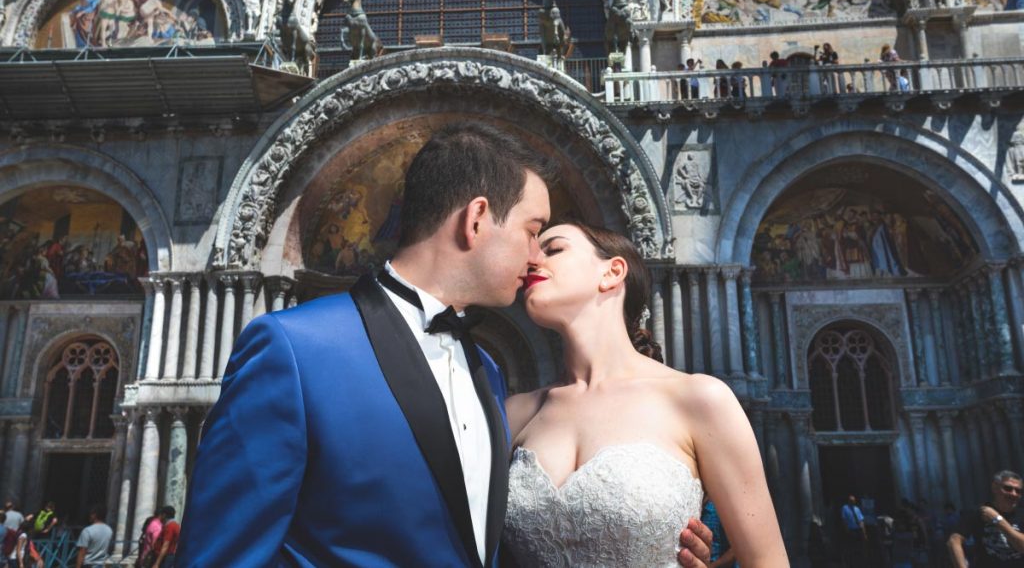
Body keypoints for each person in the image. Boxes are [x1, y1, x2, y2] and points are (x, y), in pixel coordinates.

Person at [177, 122, 713, 567]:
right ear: (477, 219)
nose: (536, 258)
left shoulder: (488, 372)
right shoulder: (294, 350)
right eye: (533, 231)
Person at [502, 220, 787, 566]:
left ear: (612, 272)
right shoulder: (514, 413)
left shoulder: (699, 399)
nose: (532, 259)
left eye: (554, 249)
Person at [948, 470, 1024, 567]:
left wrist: (997, 520)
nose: (1014, 494)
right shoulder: (978, 512)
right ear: (995, 487)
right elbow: (954, 541)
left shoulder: (1021, 514)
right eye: (1008, 488)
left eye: (1018, 491)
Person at [840, 494, 867, 567]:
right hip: (851, 530)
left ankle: (860, 562)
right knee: (852, 547)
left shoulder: (857, 509)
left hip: (858, 529)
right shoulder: (845, 508)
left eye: (854, 500)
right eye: (851, 500)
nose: (853, 502)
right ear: (848, 501)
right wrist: (846, 529)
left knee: (860, 547)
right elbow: (844, 519)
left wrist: (864, 532)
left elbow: (861, 520)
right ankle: (852, 563)